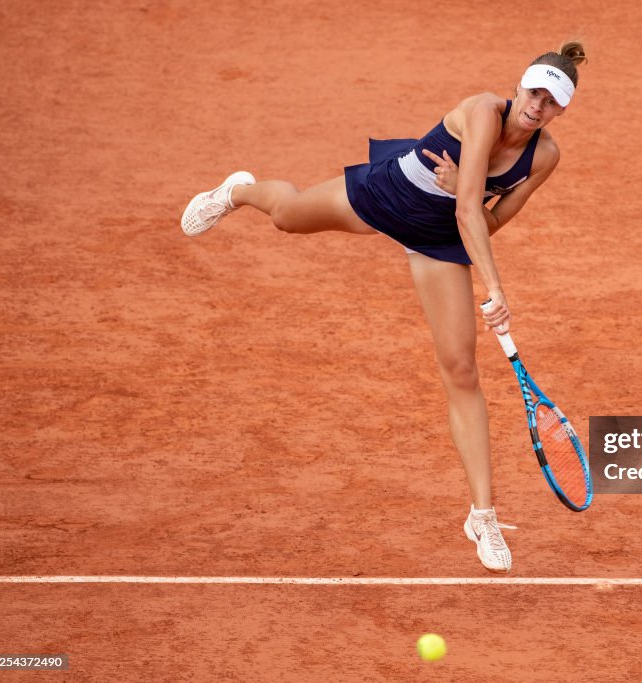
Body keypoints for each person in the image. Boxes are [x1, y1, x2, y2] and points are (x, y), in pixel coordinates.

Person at [180, 41, 587, 572]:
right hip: (390, 195)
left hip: (438, 238)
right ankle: (238, 192)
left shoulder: (546, 157)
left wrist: (466, 187)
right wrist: (494, 286)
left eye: (552, 102)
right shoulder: (484, 110)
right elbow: (470, 208)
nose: (538, 106)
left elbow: (487, 221)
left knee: (461, 371)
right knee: (286, 215)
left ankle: (482, 515)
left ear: (562, 110)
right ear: (519, 86)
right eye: (535, 91)